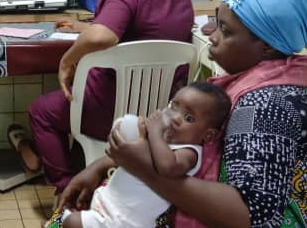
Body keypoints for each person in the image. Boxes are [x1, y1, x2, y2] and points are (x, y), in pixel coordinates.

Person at [62, 0, 307, 228]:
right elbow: (178, 143)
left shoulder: (266, 105)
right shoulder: (247, 83)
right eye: (216, 22)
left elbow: (252, 214)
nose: (212, 35)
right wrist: (102, 166)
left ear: (267, 48)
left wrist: (142, 168)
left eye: (225, 30)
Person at [13, 0, 194, 201]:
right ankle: (93, 182)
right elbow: (140, 32)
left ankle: (66, 192)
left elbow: (103, 37)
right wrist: (88, 27)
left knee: (42, 111)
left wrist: (67, 60)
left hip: (107, 111)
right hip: (159, 112)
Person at [59, 82, 231, 228]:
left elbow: (167, 167)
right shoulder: (165, 140)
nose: (174, 118)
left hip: (124, 221)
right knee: (69, 212)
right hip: (110, 203)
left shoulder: (189, 152)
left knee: (71, 222)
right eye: (173, 106)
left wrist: (155, 133)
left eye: (188, 118)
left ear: (209, 136)